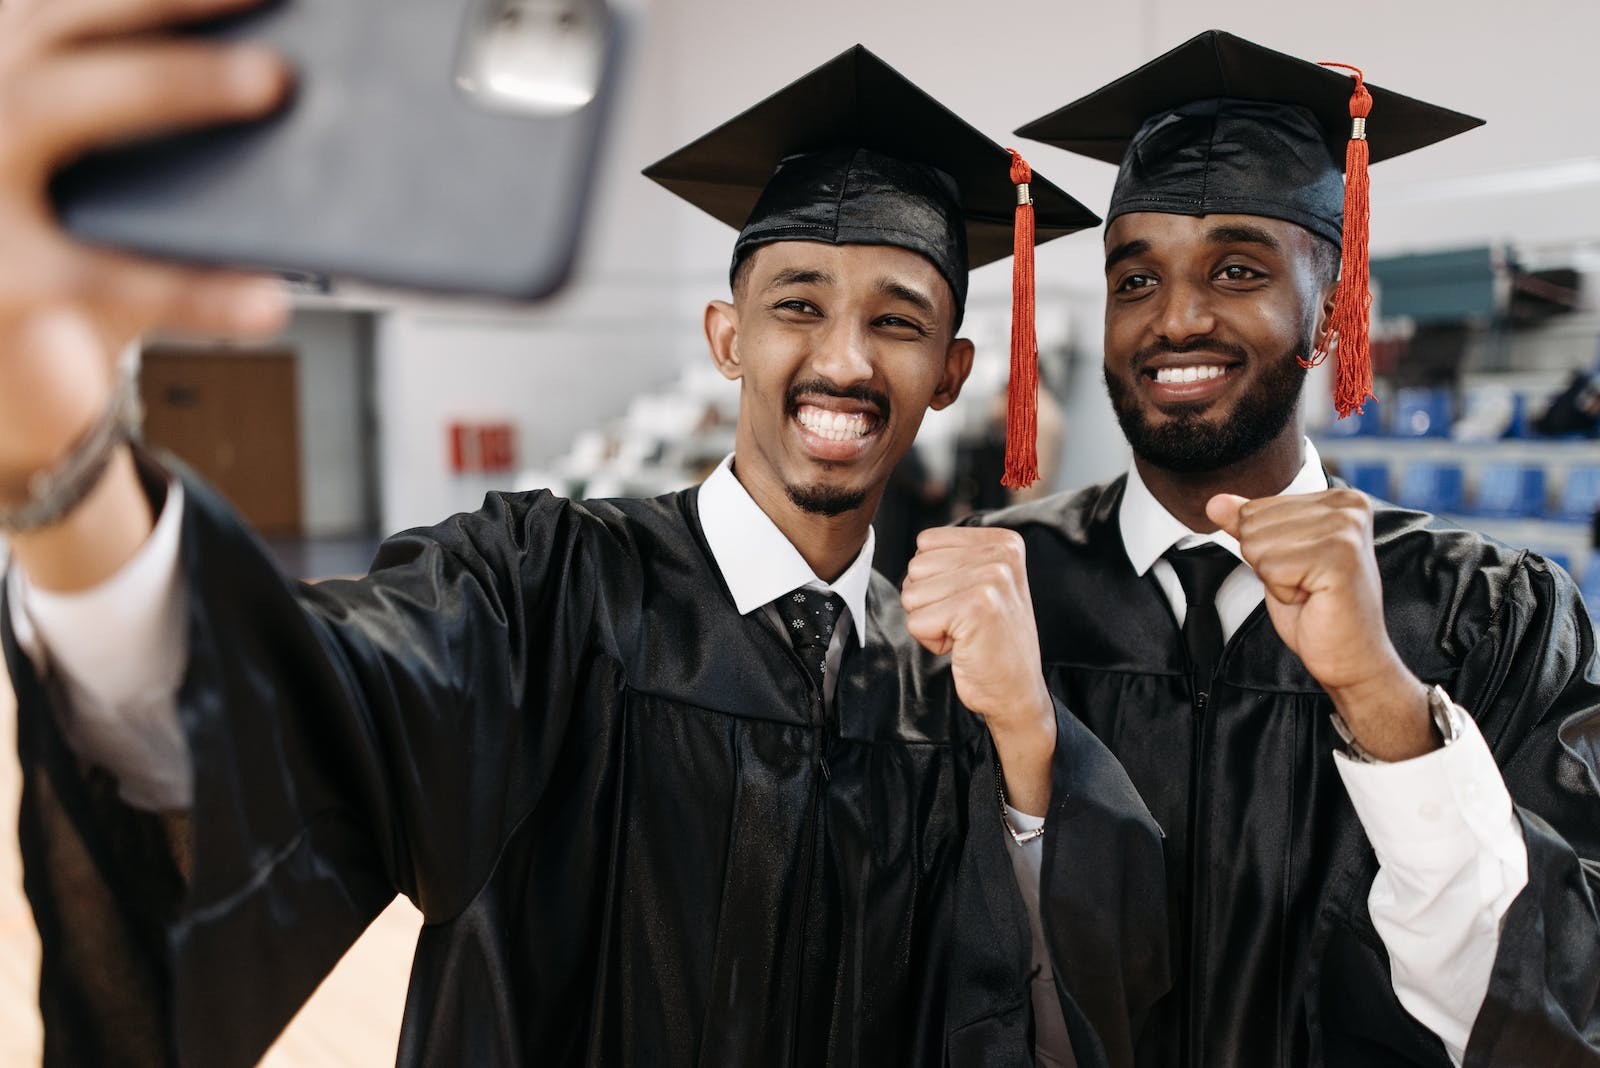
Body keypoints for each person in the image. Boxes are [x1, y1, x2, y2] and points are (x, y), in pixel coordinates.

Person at [0, 4, 1167, 1066]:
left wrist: (1029, 741)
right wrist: (60, 467)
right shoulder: (542, 591)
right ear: (725, 338)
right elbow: (284, 712)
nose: (845, 360)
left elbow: (1052, 1002)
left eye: (897, 321)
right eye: (797, 304)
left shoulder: (948, 695)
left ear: (953, 372)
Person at [970, 29, 1600, 1066]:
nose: (1174, 318)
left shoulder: (1483, 614)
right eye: (1134, 281)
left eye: (1234, 269)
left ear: (1327, 311)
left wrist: (1382, 700)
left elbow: (1556, 1013)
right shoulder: (1005, 589)